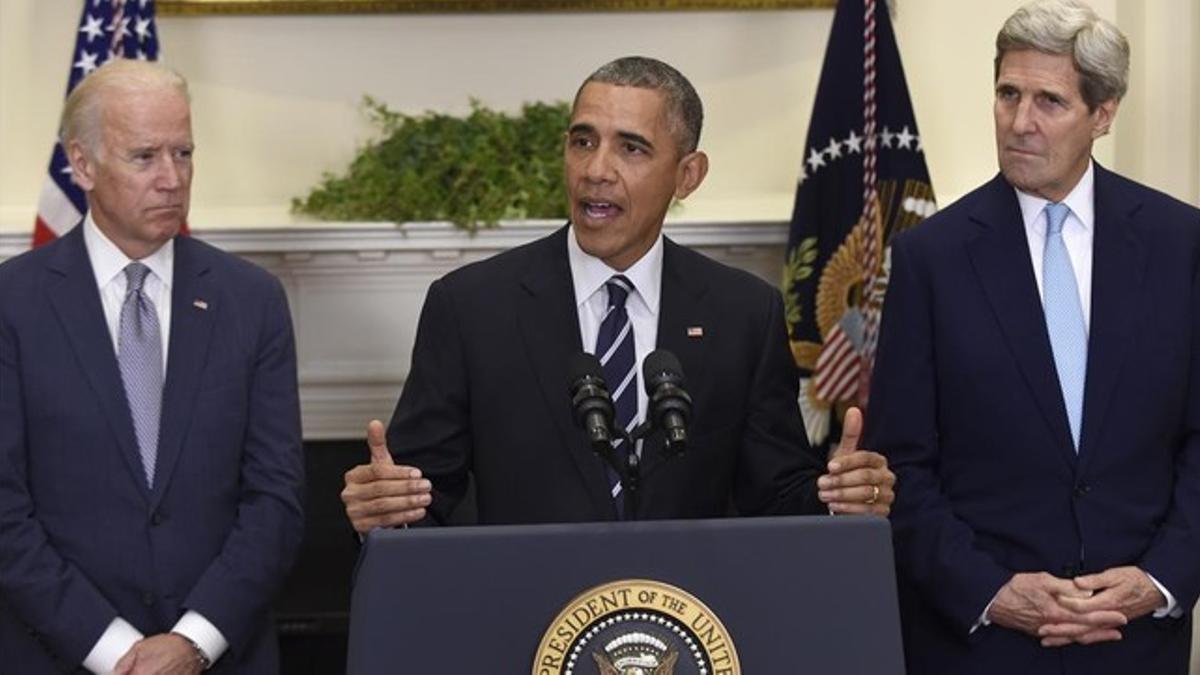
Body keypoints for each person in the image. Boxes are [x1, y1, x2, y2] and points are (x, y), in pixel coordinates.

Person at [341, 56, 893, 531]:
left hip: (688, 626)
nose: (596, 170)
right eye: (583, 141)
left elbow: (775, 498)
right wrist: (383, 511)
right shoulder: (471, 307)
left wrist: (839, 502)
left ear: (687, 176)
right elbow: (417, 498)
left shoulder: (744, 312)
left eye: (631, 148)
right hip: (523, 628)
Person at [867, 1, 1200, 672]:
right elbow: (900, 463)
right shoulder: (931, 257)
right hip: (982, 641)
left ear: (1102, 115)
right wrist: (990, 590)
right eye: (1007, 94)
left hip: (1135, 640)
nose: (1020, 122)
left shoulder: (1180, 243)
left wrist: (1159, 580)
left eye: (1049, 101)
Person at [0, 59, 305, 674]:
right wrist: (115, 653)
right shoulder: (13, 303)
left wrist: (193, 642)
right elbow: (4, 512)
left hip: (222, 656)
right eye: (145, 157)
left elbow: (276, 500)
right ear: (81, 164)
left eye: (184, 153)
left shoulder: (252, 300)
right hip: (57, 654)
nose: (172, 179)